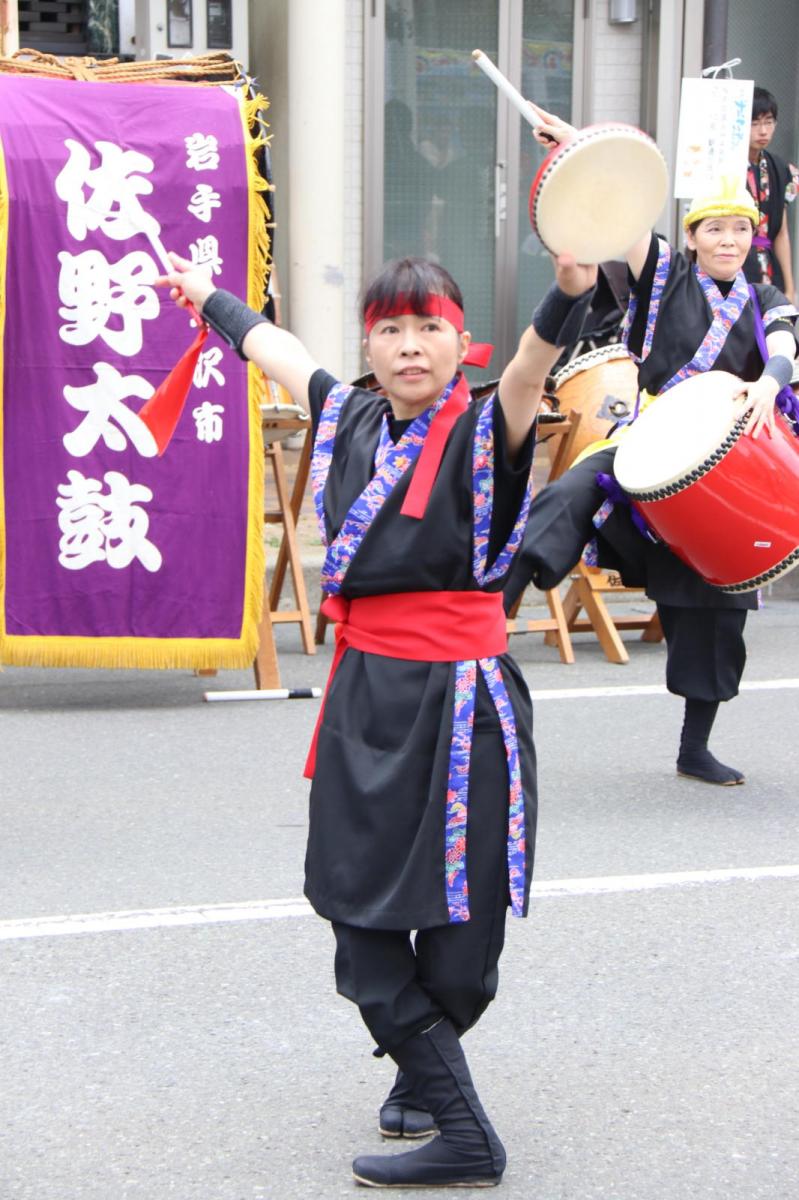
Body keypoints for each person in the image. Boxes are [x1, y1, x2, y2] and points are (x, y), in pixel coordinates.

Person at [156, 249, 597, 1188]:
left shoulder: (489, 428)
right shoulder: (348, 413)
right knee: (353, 909)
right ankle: (455, 1115)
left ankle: (427, 1081)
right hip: (367, 695)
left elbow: (528, 369)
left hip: (462, 702)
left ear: (458, 341)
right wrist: (209, 300)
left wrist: (567, 289)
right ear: (369, 340)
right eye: (391, 328)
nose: (409, 346)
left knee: (460, 936)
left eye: (429, 327)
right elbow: (272, 348)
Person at [504, 103, 798, 789]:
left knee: (718, 606)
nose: (727, 240)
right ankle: (499, 604)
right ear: (693, 236)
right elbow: (626, 214)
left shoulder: (763, 296)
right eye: (714, 228)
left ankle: (694, 746)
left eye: (738, 230)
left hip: (725, 465)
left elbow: (785, 346)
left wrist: (769, 383)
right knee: (570, 490)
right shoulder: (663, 276)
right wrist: (580, 146)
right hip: (648, 439)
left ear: (752, 239)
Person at [744, 86, 799, 303]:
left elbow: (782, 233)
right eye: (754, 123)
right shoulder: (725, 166)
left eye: (768, 121)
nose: (763, 131)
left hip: (770, 268)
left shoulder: (780, 168)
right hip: (735, 265)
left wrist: (790, 287)